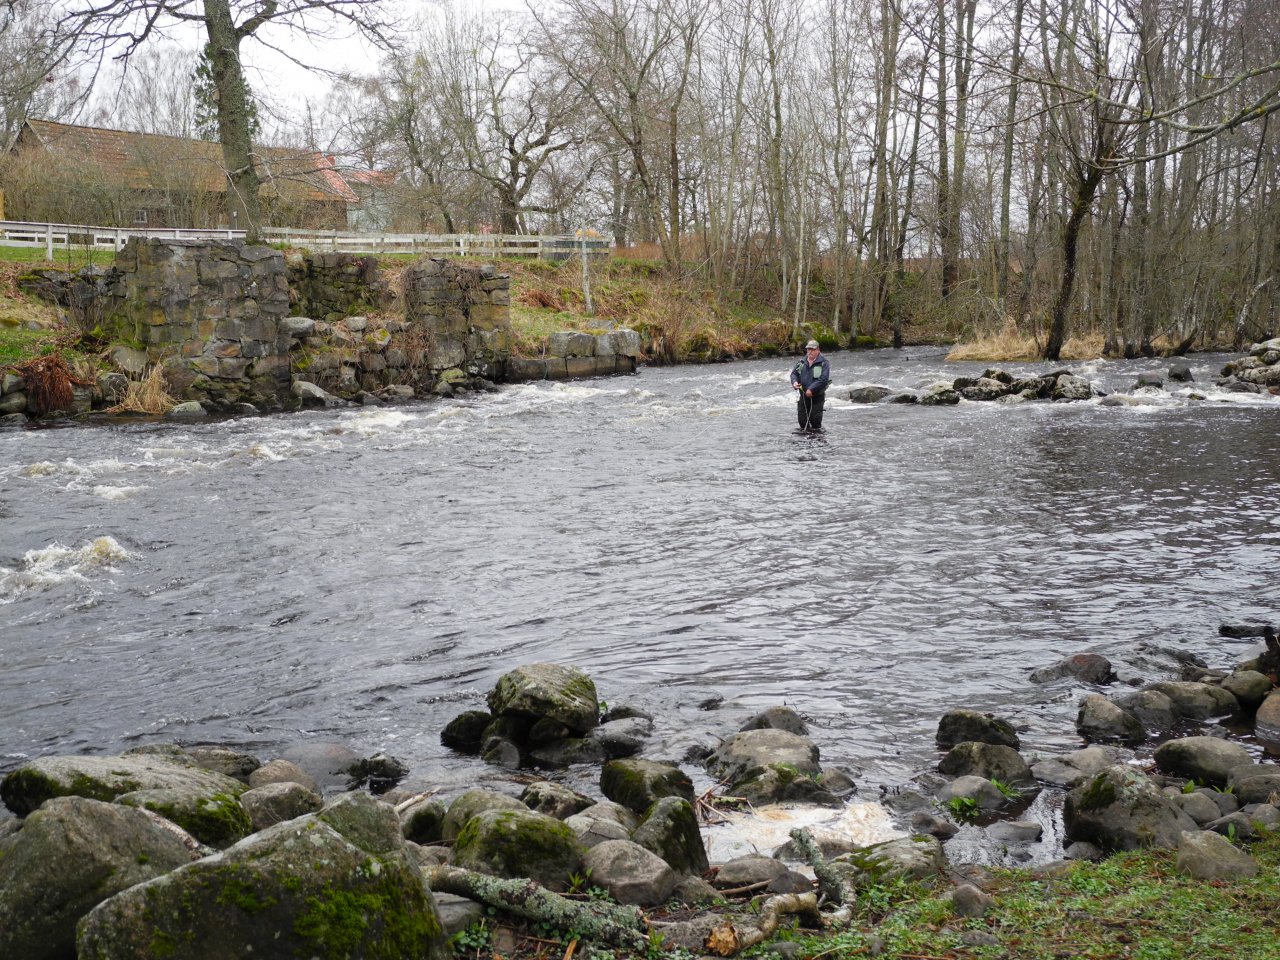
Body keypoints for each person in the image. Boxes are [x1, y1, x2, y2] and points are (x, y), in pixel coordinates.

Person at [790, 339, 830, 430]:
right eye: (808, 349)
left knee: (815, 421)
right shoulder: (801, 362)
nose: (810, 351)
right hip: (803, 395)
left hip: (817, 397)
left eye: (813, 349)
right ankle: (804, 441)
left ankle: (816, 441)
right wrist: (794, 382)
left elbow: (823, 379)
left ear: (818, 350)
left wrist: (811, 389)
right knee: (802, 420)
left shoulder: (824, 363)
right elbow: (794, 374)